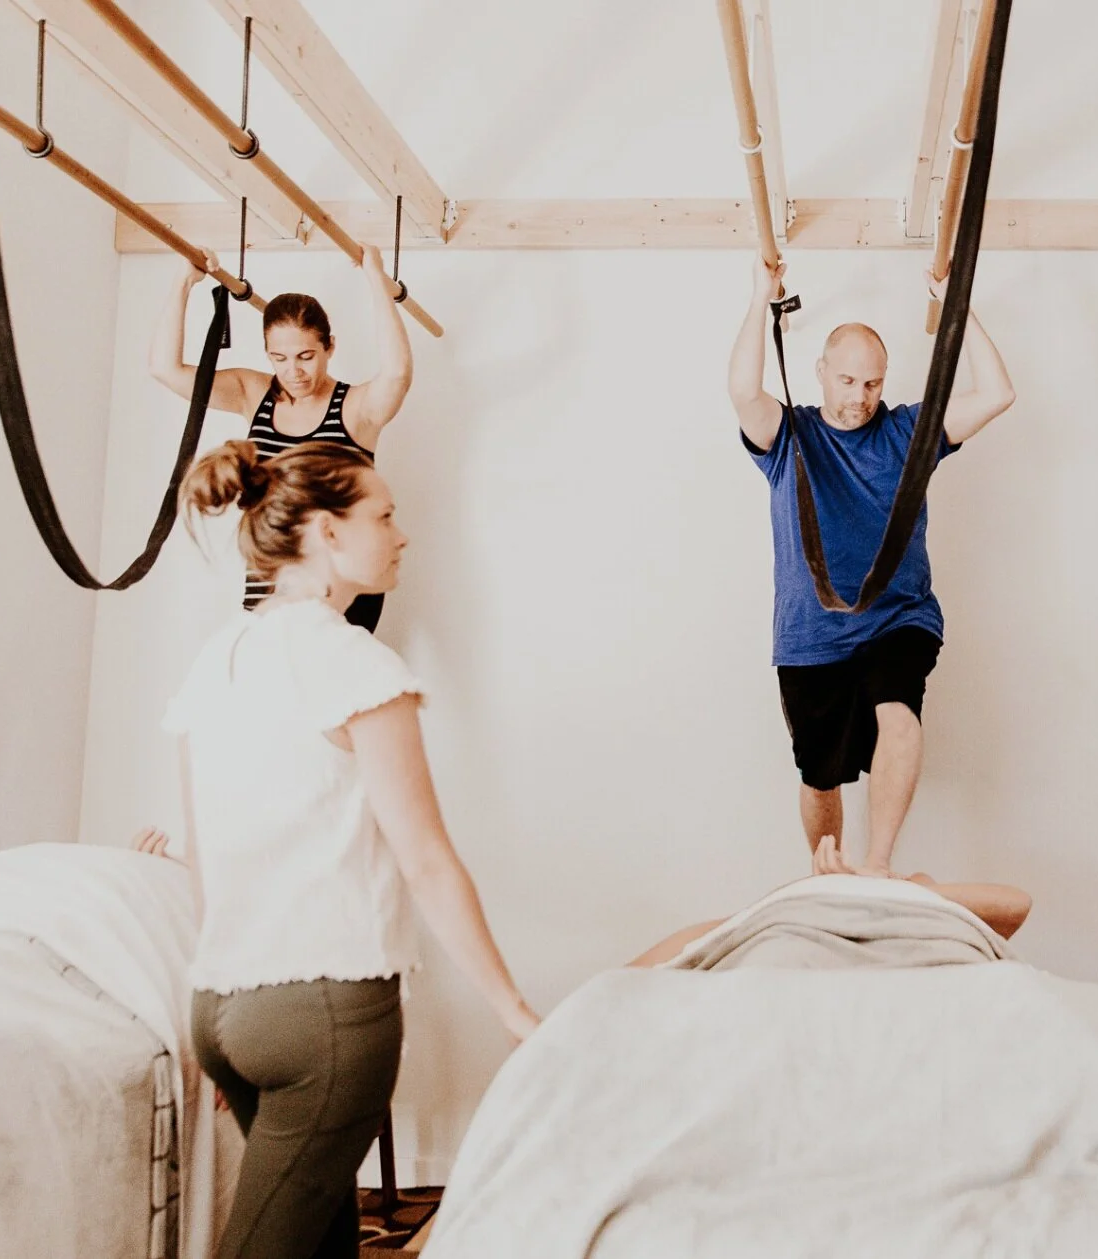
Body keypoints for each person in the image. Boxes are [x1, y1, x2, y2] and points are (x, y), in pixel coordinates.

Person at [166, 439, 538, 1259]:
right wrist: (512, 1007)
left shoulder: (215, 659)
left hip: (222, 1009)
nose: (401, 534)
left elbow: (203, 855)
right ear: (327, 534)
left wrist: (218, 999)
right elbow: (426, 860)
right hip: (324, 1019)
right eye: (383, 514)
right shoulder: (357, 663)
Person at [727, 257, 1017, 877]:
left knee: (898, 714)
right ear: (822, 374)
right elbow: (744, 391)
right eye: (848, 380)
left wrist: (954, 304)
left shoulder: (907, 431)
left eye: (872, 384)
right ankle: (826, 873)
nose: (859, 397)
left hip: (897, 619)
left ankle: (879, 866)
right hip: (810, 637)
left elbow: (998, 394)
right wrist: (760, 297)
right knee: (819, 776)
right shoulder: (790, 437)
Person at [152, 243, 413, 631]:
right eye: (280, 358)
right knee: (270, 686)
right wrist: (183, 282)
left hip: (341, 584)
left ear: (330, 347)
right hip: (269, 582)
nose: (293, 371)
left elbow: (396, 374)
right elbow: (165, 370)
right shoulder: (252, 392)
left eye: (306, 356)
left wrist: (374, 275)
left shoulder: (355, 408)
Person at [626, 840, 1033, 967]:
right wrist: (833, 889)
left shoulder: (949, 920)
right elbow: (632, 976)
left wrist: (876, 887)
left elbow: (1016, 904)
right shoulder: (790, 902)